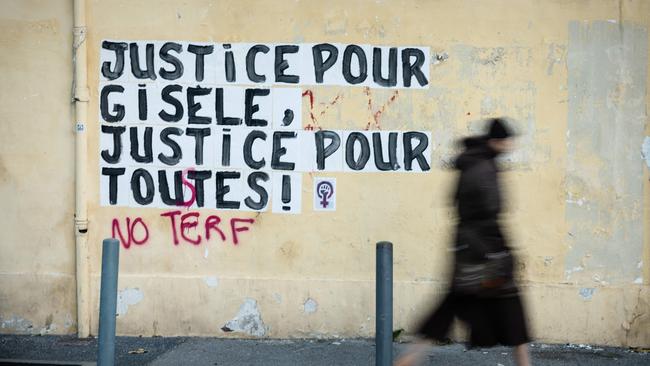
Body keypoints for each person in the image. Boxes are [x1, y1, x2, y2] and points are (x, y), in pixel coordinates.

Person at [395, 118, 531, 366]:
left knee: (449, 309)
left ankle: (409, 359)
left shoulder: (473, 163)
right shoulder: (484, 169)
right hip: (486, 253)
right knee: (512, 312)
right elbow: (490, 212)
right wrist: (499, 253)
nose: (510, 145)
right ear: (496, 141)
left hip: (467, 251)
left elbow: (457, 205)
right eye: (507, 140)